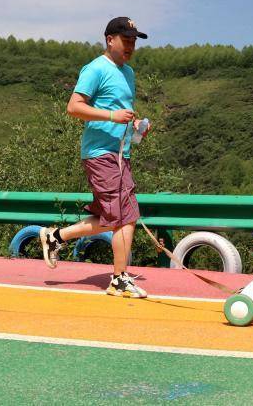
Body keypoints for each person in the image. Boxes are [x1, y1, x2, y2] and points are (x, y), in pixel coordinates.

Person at [39, 17, 150, 298]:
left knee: (114, 216)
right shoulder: (95, 68)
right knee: (125, 217)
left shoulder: (129, 73)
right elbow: (74, 107)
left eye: (134, 41)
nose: (131, 46)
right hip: (101, 154)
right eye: (126, 40)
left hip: (120, 153)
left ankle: (56, 237)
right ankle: (119, 279)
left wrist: (135, 126)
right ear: (109, 39)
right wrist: (112, 116)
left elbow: (122, 110)